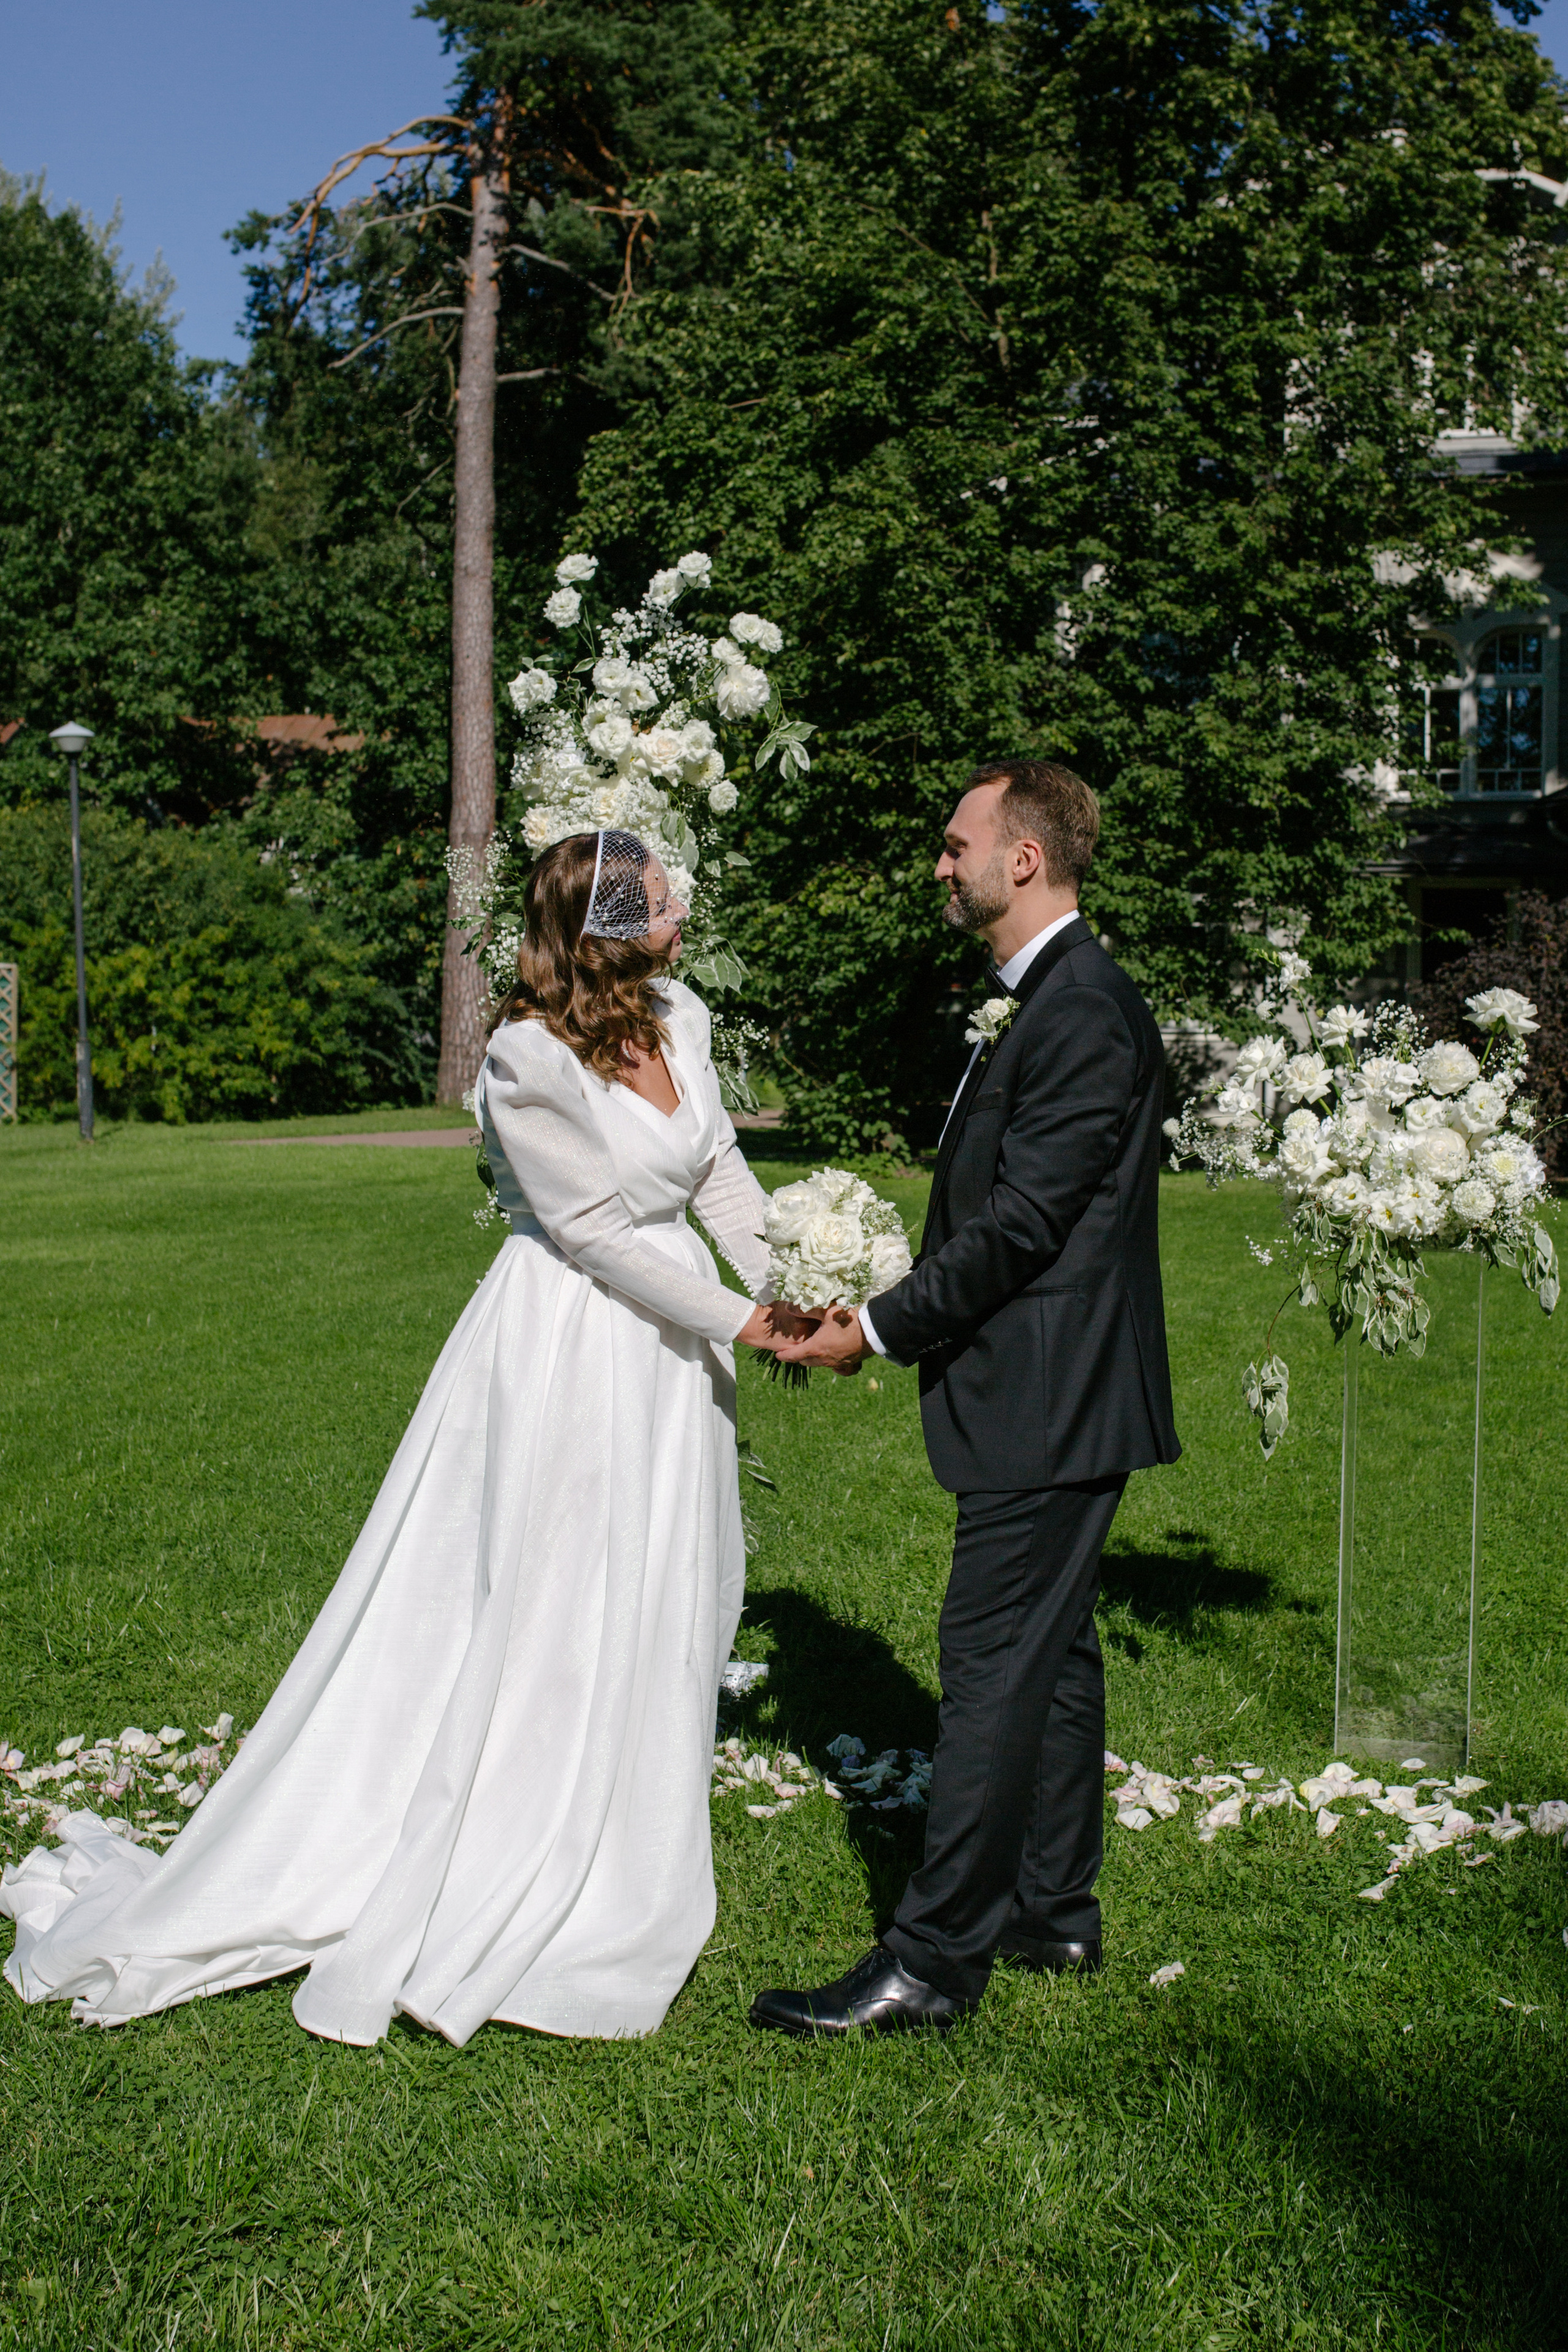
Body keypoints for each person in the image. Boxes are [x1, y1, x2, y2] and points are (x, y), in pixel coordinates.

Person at [2, 831, 790, 2045]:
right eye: (661, 895)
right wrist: (761, 1323)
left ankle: (624, 1789)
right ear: (607, 925)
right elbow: (596, 1238)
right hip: (566, 1344)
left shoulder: (677, 1014)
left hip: (667, 1352)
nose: (683, 906)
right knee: (541, 1578)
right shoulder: (524, 1060)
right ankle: (509, 1818)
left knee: (649, 1574)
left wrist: (796, 1279)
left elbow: (718, 1168)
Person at [751, 760, 1181, 2036]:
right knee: (1050, 1663)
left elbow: (1024, 1226)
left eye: (955, 847)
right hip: (1055, 1390)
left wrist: (870, 1330)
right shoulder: (1038, 998)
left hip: (1045, 1394)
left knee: (988, 1665)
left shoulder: (1080, 1011)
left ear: (1023, 860)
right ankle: (1051, 1910)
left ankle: (931, 1964)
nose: (940, 866)